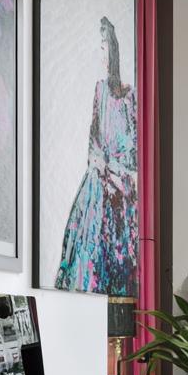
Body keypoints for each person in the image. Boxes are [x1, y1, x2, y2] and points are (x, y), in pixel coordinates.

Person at [55, 17, 137, 294]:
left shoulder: (128, 96)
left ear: (111, 49)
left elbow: (133, 151)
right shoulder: (99, 91)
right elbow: (93, 141)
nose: (99, 53)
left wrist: (114, 170)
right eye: (97, 47)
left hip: (119, 188)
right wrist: (98, 164)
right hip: (98, 184)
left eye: (103, 46)